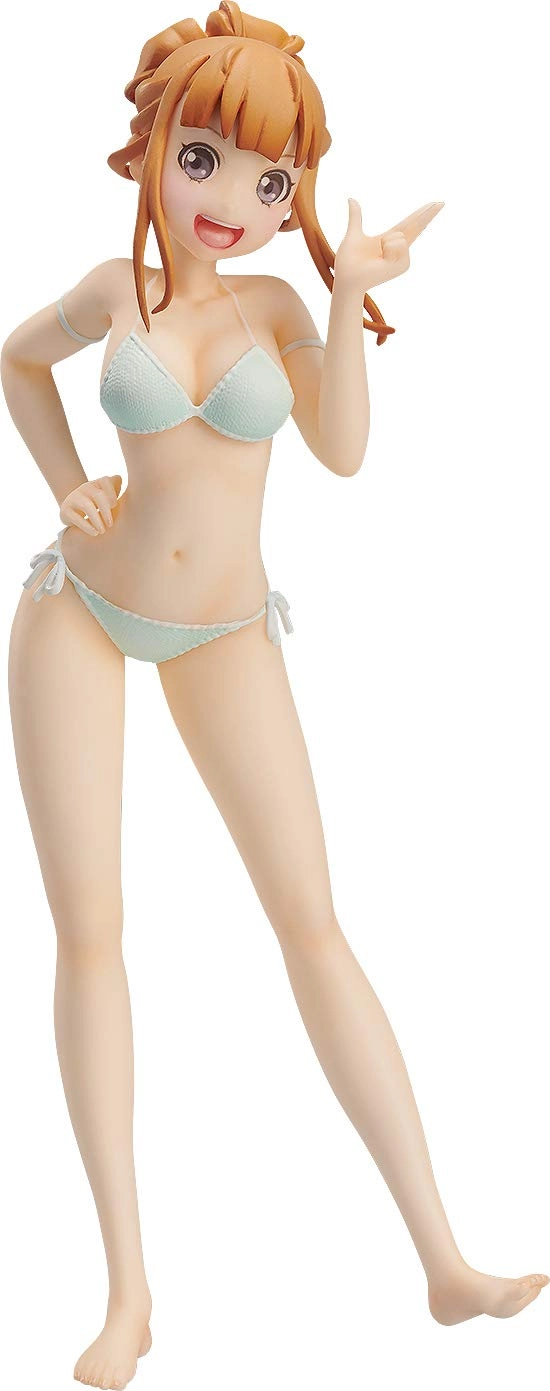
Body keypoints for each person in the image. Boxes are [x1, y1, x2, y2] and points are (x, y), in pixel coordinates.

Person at [3, 5, 547, 1388]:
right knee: (92, 933)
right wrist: (64, 482)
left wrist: (350, 296)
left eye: (269, 179)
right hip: (78, 614)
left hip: (229, 630)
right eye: (202, 159)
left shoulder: (279, 308)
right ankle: (129, 1292)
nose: (230, 200)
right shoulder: (114, 289)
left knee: (312, 922)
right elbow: (14, 358)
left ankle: (442, 1259)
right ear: (152, 149)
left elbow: (343, 452)